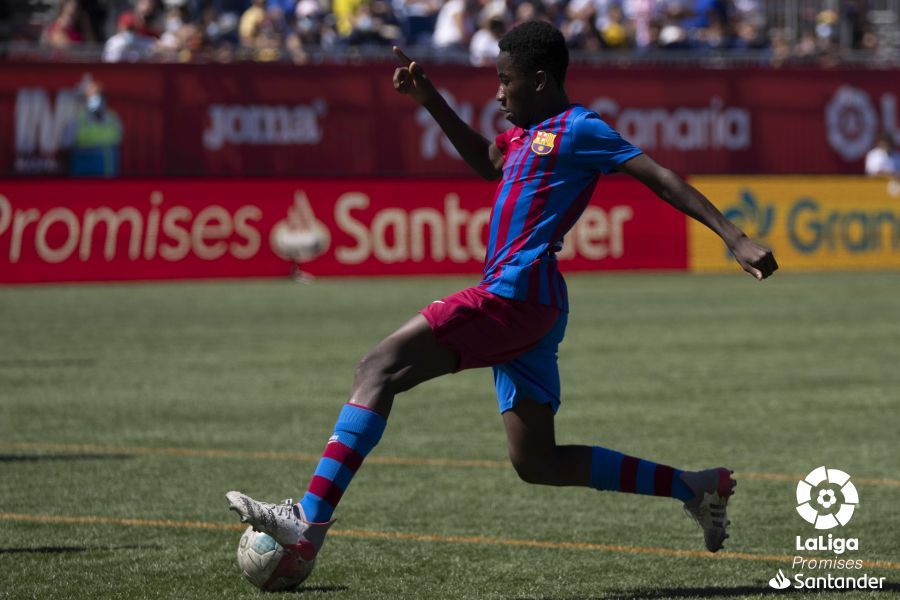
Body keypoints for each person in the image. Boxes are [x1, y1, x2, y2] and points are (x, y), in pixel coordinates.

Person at [227, 21, 778, 567]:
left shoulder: (579, 129)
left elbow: (657, 175)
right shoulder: (519, 137)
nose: (497, 91)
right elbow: (487, 164)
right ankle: (696, 487)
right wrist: (430, 99)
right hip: (532, 306)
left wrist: (735, 237)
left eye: (505, 79)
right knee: (536, 460)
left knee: (377, 368)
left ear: (539, 80)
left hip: (516, 294)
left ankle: (307, 523)